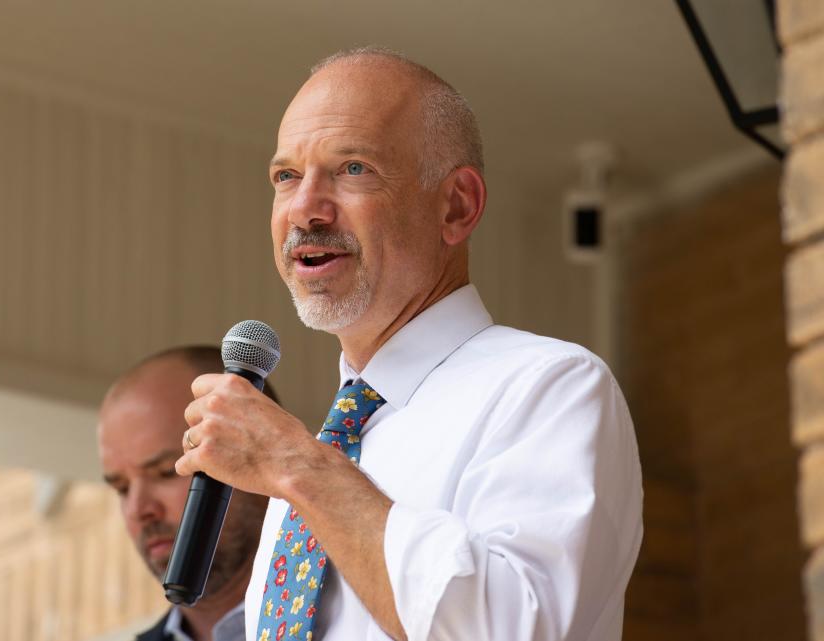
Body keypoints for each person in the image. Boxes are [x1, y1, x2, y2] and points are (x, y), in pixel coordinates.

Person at [175, 48, 643, 641]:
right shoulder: (322, 453)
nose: (304, 208)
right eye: (287, 176)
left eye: (352, 169)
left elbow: (512, 631)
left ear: (457, 206)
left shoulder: (550, 385)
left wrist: (298, 466)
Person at [97, 346, 277, 641]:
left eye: (167, 471)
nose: (139, 509)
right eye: (122, 488)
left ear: (264, 455)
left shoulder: (358, 611)